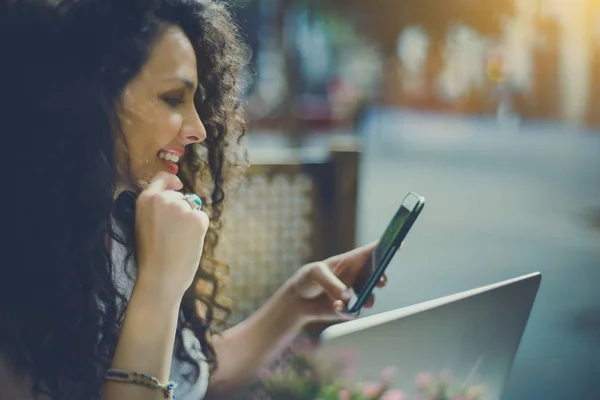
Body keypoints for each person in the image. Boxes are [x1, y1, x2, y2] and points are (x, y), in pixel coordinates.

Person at [0, 1, 387, 399]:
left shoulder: (127, 220)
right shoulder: (17, 268)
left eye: (195, 102)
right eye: (172, 98)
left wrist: (294, 304)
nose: (199, 130)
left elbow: (187, 377)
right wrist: (160, 286)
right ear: (85, 97)